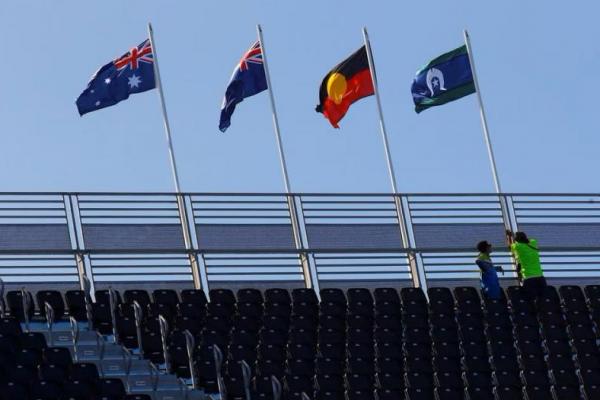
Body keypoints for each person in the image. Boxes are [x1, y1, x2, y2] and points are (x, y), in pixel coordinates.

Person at [506, 230, 546, 301]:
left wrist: (509, 236)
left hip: (528, 278)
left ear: (516, 240)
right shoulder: (533, 243)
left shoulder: (517, 246)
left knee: (530, 300)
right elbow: (529, 240)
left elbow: (510, 246)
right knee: (542, 300)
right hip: (540, 277)